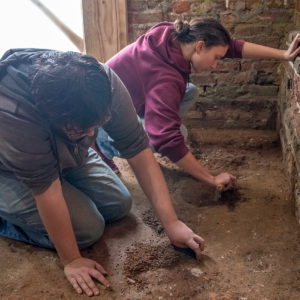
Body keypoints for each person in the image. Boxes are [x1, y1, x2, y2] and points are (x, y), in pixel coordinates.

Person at [0, 48, 205, 296]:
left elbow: (138, 150)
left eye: (95, 127)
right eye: (81, 129)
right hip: (12, 170)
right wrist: (71, 260)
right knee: (88, 230)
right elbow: (48, 192)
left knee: (118, 204)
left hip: (66, 153)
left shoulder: (103, 82)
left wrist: (171, 223)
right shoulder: (14, 112)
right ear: (53, 118)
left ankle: (69, 162)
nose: (91, 135)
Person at [97, 18, 300, 190]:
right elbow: (167, 138)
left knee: (189, 91)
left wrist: (283, 55)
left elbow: (233, 47)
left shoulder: (173, 35)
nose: (215, 65)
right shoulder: (165, 78)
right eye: (216, 58)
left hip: (119, 104)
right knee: (176, 134)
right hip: (101, 124)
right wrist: (211, 178)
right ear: (200, 46)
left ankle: (141, 127)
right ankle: (107, 148)